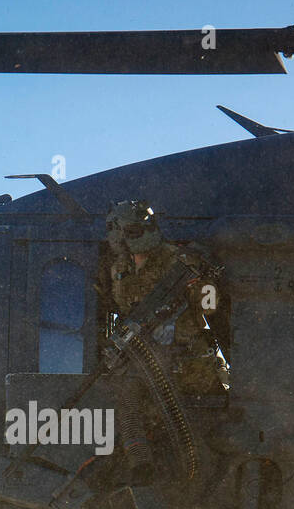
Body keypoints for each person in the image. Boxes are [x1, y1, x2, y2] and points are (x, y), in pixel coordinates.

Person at [96, 200, 229, 485]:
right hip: (144, 363)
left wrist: (193, 293)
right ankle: (141, 467)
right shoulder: (119, 268)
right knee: (126, 397)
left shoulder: (177, 262)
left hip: (185, 367)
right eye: (130, 231)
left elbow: (210, 304)